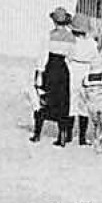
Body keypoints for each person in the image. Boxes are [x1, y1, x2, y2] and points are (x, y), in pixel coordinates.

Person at [31, 8, 75, 146]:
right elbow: (71, 57)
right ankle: (62, 134)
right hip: (63, 69)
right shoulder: (71, 38)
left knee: (44, 99)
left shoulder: (49, 36)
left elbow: (42, 56)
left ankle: (37, 133)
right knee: (62, 101)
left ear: (54, 21)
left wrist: (38, 73)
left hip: (51, 68)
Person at [66, 22, 102, 147]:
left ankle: (68, 135)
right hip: (86, 69)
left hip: (73, 68)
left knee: (71, 101)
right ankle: (82, 138)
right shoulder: (91, 43)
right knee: (84, 104)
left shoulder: (71, 42)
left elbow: (66, 57)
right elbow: (96, 60)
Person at [80, 63, 102, 152]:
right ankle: (98, 140)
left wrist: (86, 100)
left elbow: (82, 91)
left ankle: (96, 141)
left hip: (91, 103)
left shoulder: (86, 77)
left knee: (95, 125)